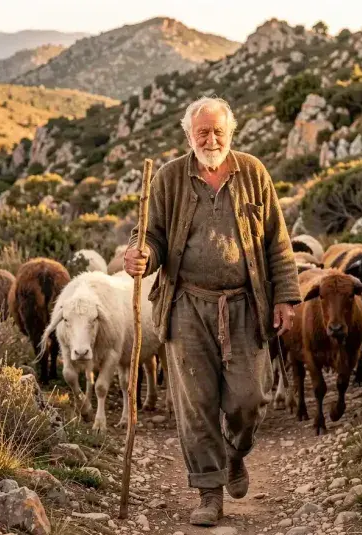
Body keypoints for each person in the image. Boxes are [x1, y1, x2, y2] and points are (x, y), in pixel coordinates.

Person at [124, 96, 301, 526]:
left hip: (245, 303)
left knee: (248, 399)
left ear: (231, 133)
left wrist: (285, 297)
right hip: (186, 304)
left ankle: (235, 451)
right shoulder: (168, 179)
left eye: (218, 131)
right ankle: (209, 493)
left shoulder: (253, 173)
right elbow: (149, 234)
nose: (211, 139)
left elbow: (277, 240)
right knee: (196, 402)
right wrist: (140, 252)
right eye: (202, 132)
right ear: (188, 135)